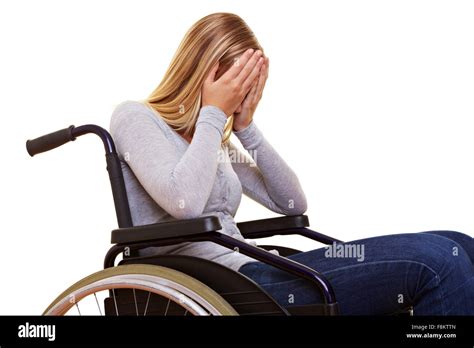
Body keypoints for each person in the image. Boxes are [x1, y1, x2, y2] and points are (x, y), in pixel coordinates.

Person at [109, 12, 474, 315]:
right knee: (439, 262)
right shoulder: (137, 118)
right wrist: (212, 113)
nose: (240, 95)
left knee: (461, 245)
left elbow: (291, 204)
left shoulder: (209, 141)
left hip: (257, 267)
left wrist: (246, 127)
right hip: (222, 283)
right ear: (206, 70)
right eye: (237, 84)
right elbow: (184, 203)